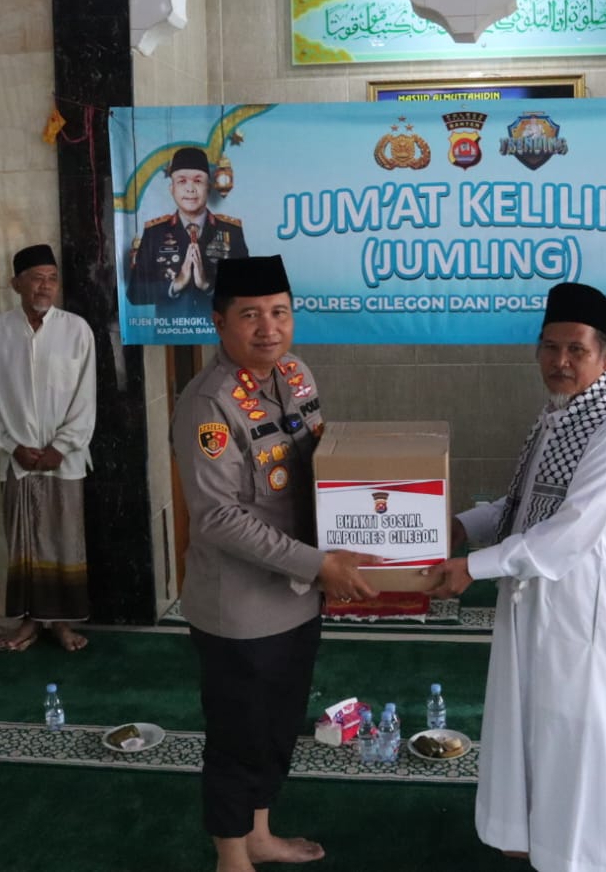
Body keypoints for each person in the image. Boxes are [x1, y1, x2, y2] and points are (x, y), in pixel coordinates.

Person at [425, 282, 606, 872]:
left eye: (577, 350)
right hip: (533, 605)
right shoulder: (556, 419)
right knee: (533, 729)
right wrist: (462, 525)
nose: (561, 361)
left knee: (578, 745)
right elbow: (523, 505)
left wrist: (473, 568)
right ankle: (533, 837)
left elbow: (567, 533)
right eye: (550, 347)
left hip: (583, 625)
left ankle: (590, 857)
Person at [171, 254, 381, 872]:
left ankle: (259, 835)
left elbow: (321, 466)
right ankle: (231, 857)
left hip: (298, 594)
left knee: (279, 726)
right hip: (239, 608)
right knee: (238, 735)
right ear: (219, 322)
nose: (269, 328)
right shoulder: (209, 405)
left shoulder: (296, 374)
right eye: (251, 315)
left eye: (280, 312)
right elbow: (218, 517)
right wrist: (320, 565)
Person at [0, 244, 96, 653]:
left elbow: (86, 398)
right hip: (17, 460)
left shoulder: (77, 330)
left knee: (64, 540)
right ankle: (29, 621)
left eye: (51, 278)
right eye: (36, 278)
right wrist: (12, 446)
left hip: (65, 460)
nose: (45, 286)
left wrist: (61, 446)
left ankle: (61, 623)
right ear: (16, 284)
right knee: (23, 543)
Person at [127, 146, 248, 319]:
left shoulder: (231, 231)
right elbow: (134, 293)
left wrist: (207, 285)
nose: (190, 189)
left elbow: (246, 291)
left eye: (198, 181)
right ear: (172, 189)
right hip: (172, 331)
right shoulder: (154, 233)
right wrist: (176, 284)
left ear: (208, 187)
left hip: (217, 331)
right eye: (182, 181)